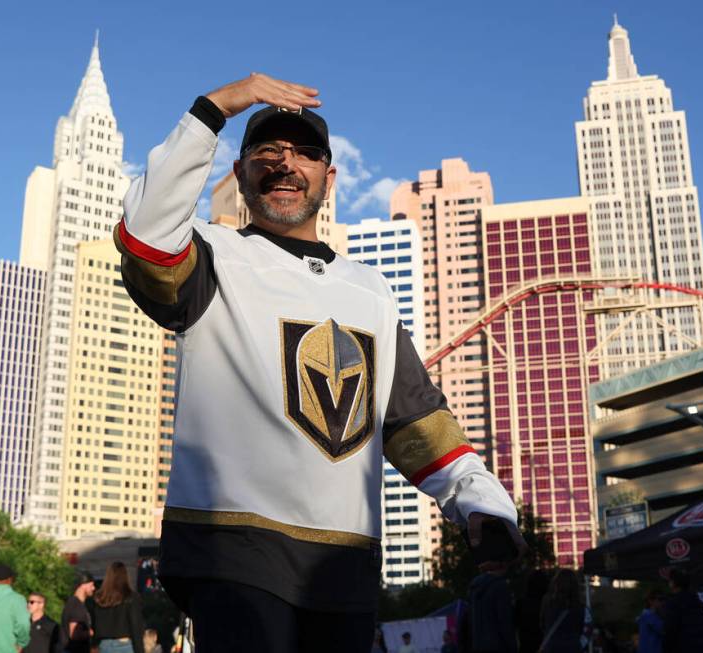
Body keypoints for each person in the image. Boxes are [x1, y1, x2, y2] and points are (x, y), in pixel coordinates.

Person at [115, 72, 524, 653]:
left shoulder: (371, 290)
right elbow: (145, 235)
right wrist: (216, 107)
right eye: (268, 151)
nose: (286, 164)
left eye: (306, 154)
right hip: (233, 550)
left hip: (345, 562)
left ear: (328, 178)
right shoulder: (211, 254)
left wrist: (479, 503)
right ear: (239, 172)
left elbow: (415, 419)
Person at [86, 562, 145, 653]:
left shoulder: (99, 599)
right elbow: (136, 626)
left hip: (103, 645)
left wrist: (93, 646)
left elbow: (94, 626)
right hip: (124, 645)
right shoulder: (131, 598)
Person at [659, 569, 703, 653]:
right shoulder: (696, 601)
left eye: (670, 580)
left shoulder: (673, 603)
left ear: (672, 583)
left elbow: (669, 631)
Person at [466, 564, 516, 653]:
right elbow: (505, 621)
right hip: (498, 646)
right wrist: (512, 646)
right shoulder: (500, 586)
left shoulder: (474, 588)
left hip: (478, 646)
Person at [538, 569, 585, 653]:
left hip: (551, 647)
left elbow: (542, 624)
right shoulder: (578, 606)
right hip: (572, 647)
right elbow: (580, 628)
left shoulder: (548, 601)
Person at [515, 569, 549, 653]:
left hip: (526, 644)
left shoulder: (521, 602)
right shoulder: (548, 603)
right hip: (544, 644)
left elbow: (515, 623)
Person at [60, 572, 94, 653]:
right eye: (91, 585)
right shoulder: (76, 605)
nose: (93, 588)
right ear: (83, 585)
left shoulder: (76, 603)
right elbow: (74, 634)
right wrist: (90, 632)